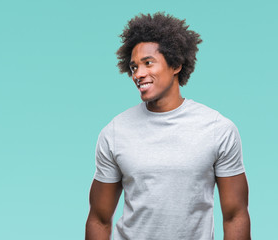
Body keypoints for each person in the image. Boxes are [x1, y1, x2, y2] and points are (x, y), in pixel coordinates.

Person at [85, 12, 251, 240]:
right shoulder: (115, 132)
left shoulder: (217, 129)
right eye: (134, 67)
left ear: (176, 65)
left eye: (148, 63)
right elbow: (99, 217)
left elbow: (235, 215)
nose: (139, 74)